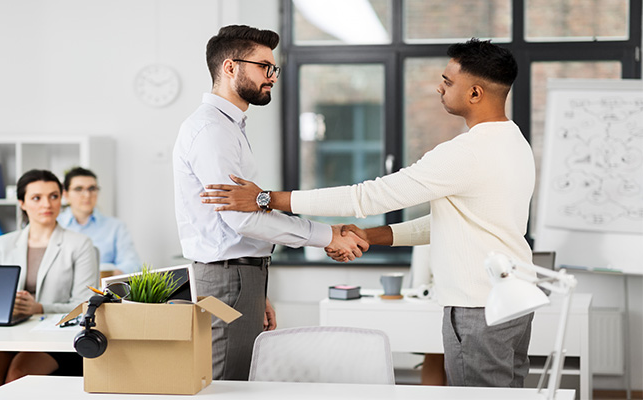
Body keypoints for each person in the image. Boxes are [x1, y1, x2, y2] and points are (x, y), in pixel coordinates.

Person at [201, 38, 537, 388]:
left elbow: (368, 198)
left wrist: (267, 199)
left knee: (480, 397)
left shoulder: (465, 153)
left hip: (477, 307)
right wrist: (370, 236)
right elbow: (457, 221)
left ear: (475, 94)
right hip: (512, 302)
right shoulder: (514, 143)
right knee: (510, 392)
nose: (440, 87)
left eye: (448, 81)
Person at [173, 24, 368, 381]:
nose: (273, 77)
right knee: (227, 383)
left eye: (273, 68)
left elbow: (246, 215)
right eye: (265, 66)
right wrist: (327, 235)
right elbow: (242, 220)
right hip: (228, 277)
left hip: (239, 276)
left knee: (239, 378)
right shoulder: (212, 131)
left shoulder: (228, 127)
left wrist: (256, 291)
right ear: (231, 67)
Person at [0, 169, 99, 394]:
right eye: (36, 198)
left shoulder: (80, 244)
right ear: (22, 203)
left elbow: (85, 304)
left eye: (53, 196)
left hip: (53, 337)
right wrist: (6, 305)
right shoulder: (3, 244)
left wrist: (38, 308)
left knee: (19, 373)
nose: (47, 204)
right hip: (8, 333)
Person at [58, 167, 141, 276]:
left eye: (92, 188)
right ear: (66, 194)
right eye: (79, 189)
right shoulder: (55, 225)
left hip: (102, 289)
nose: (87, 195)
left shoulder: (116, 227)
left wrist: (106, 275)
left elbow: (132, 264)